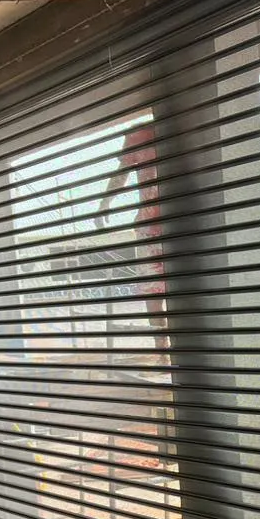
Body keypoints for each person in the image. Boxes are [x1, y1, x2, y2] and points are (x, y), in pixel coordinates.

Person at [98, 121, 168, 350]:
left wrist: (105, 203)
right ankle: (163, 352)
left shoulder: (178, 124)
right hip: (150, 225)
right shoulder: (138, 134)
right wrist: (105, 202)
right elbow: (122, 173)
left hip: (179, 222)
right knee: (153, 293)